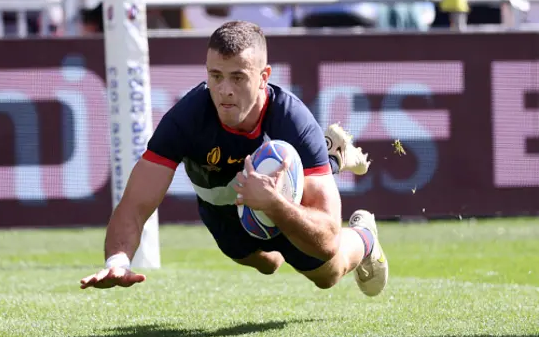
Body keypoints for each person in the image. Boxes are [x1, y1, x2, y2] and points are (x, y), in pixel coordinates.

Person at [79, 20, 389, 297]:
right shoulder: (185, 119)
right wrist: (118, 260)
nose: (224, 90)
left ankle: (364, 235)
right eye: (216, 76)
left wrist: (274, 204)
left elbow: (328, 239)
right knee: (268, 264)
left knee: (328, 274)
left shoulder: (293, 120)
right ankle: (331, 157)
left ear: (263, 76)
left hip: (285, 203)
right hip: (221, 210)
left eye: (238, 77)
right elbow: (134, 206)